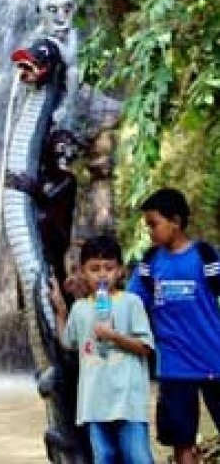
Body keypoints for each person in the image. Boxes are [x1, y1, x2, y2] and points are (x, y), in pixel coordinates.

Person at [126, 187, 220, 464]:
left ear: (176, 222)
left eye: (154, 224)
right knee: (182, 444)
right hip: (173, 368)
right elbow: (130, 302)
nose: (151, 232)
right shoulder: (150, 262)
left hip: (213, 361)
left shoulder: (205, 256)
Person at [50, 234, 155, 464]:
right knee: (104, 457)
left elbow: (145, 347)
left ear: (120, 271)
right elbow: (68, 342)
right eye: (94, 269)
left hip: (128, 402)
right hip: (94, 404)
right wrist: (60, 311)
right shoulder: (79, 308)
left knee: (138, 457)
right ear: (82, 272)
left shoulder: (131, 302)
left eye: (109, 268)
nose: (102, 274)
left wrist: (114, 336)